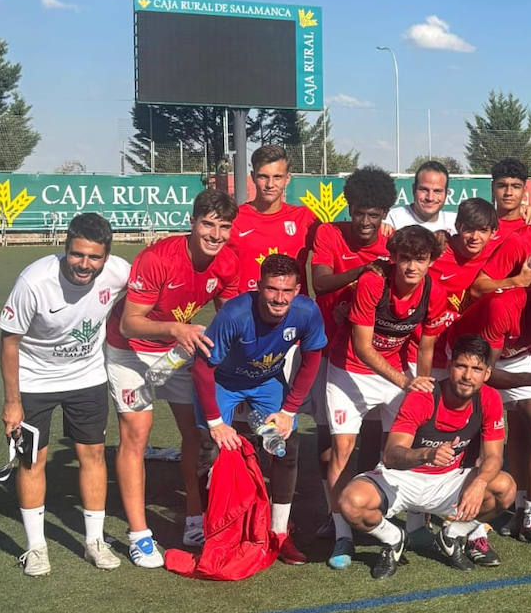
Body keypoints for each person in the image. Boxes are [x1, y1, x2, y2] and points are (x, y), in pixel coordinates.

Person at [104, 189, 240, 566]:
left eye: (223, 227)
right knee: (136, 435)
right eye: (207, 224)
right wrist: (178, 330)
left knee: (196, 433)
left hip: (175, 350)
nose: (215, 234)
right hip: (128, 349)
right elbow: (131, 321)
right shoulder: (158, 257)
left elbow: (229, 318)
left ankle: (195, 517)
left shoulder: (228, 262)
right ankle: (139, 535)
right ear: (192, 223)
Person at [0, 212, 131, 575]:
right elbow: (10, 341)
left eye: (94, 257)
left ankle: (94, 542)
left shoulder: (120, 271)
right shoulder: (34, 281)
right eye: (77, 254)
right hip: (34, 381)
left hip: (86, 377)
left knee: (93, 456)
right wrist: (12, 402)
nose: (84, 265)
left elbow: (152, 287)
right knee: (32, 461)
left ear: (106, 257)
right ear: (65, 247)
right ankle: (36, 548)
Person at [338, 336, 516, 577]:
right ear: (450, 365)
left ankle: (453, 535)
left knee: (504, 487)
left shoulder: (489, 398)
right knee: (350, 501)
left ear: (486, 373)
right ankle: (394, 538)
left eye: (476, 369)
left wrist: (480, 482)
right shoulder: (424, 395)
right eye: (461, 366)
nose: (467, 376)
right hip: (402, 479)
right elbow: (391, 455)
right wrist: (427, 454)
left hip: (448, 480)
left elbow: (494, 456)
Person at [191, 253, 327, 566]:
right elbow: (202, 368)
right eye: (271, 289)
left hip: (266, 382)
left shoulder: (306, 311)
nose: (279, 298)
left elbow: (312, 359)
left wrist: (289, 411)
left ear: (296, 291)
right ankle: (212, 530)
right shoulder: (235, 314)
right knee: (210, 448)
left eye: (286, 291)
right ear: (259, 286)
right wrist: (215, 422)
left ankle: (279, 532)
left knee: (283, 445)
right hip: (223, 381)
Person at [324, 225, 447, 568]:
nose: (412, 267)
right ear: (393, 258)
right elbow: (362, 347)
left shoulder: (433, 289)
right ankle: (342, 536)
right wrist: (405, 381)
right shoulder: (373, 282)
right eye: (405, 258)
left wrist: (421, 383)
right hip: (349, 370)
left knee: (404, 446)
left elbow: (426, 344)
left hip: (396, 373)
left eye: (420, 259)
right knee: (343, 452)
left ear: (430, 261)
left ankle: (412, 523)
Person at [447, 259, 531, 548]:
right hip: (466, 357)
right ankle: (453, 511)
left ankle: (529, 519)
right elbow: (485, 373)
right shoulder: (503, 307)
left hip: (511, 354)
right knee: (467, 434)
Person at [309, 167, 396, 530]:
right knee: (330, 437)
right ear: (349, 205)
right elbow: (320, 282)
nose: (363, 221)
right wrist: (362, 271)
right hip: (330, 350)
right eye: (358, 211)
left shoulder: (392, 245)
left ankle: (363, 502)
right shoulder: (330, 233)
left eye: (373, 214)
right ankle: (334, 514)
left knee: (374, 437)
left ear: (384, 214)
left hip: (372, 358)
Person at [225, 144, 319, 295]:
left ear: (287, 178)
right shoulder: (233, 219)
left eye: (277, 177)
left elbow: (336, 251)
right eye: (263, 176)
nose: (270, 185)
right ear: (253, 176)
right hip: (249, 312)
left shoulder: (305, 218)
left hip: (293, 312)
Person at [426, 197, 498, 368]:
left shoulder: (498, 256)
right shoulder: (435, 250)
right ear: (457, 226)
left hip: (470, 357)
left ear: (493, 232)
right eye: (468, 229)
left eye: (482, 230)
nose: (475, 237)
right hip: (428, 352)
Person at [387, 160, 456, 235]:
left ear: (446, 193)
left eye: (437, 191)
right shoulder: (393, 220)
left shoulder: (455, 224)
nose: (430, 198)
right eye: (424, 190)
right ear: (414, 189)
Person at [490, 158, 531, 238]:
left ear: (524, 191)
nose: (508, 192)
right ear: (492, 188)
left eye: (516, 187)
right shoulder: (480, 227)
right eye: (502, 186)